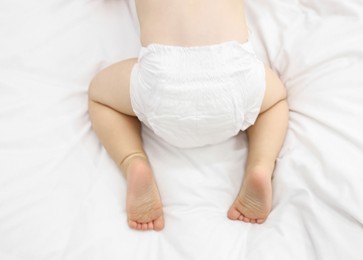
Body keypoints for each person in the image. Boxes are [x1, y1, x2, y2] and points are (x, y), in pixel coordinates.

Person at [88, 0, 288, 231]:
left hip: (164, 85)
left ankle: (132, 160)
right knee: (275, 103)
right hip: (233, 79)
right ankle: (261, 166)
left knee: (99, 96)